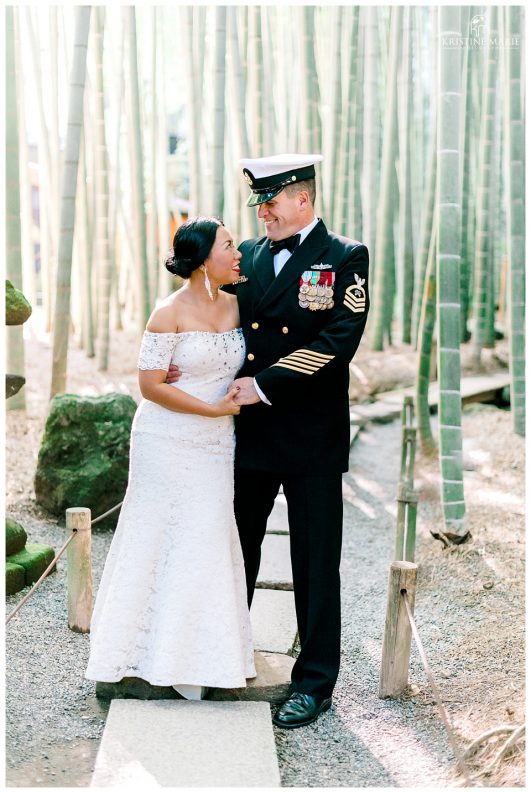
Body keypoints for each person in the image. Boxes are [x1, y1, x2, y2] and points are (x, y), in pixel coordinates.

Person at [168, 153, 370, 727]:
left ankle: (314, 683)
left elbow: (338, 340)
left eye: (271, 202)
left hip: (310, 433)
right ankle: (223, 656)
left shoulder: (343, 256)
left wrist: (265, 386)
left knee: (313, 561)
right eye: (258, 203)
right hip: (247, 435)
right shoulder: (249, 256)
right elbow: (215, 317)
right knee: (236, 551)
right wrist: (190, 364)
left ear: (302, 199)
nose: (262, 213)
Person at [85, 216, 256, 700]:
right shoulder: (167, 313)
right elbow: (150, 386)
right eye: (228, 245)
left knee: (207, 537)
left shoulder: (238, 306)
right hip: (168, 438)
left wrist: (235, 398)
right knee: (155, 534)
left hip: (216, 442)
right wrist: (212, 407)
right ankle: (133, 658)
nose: (238, 252)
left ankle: (200, 659)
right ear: (204, 259)